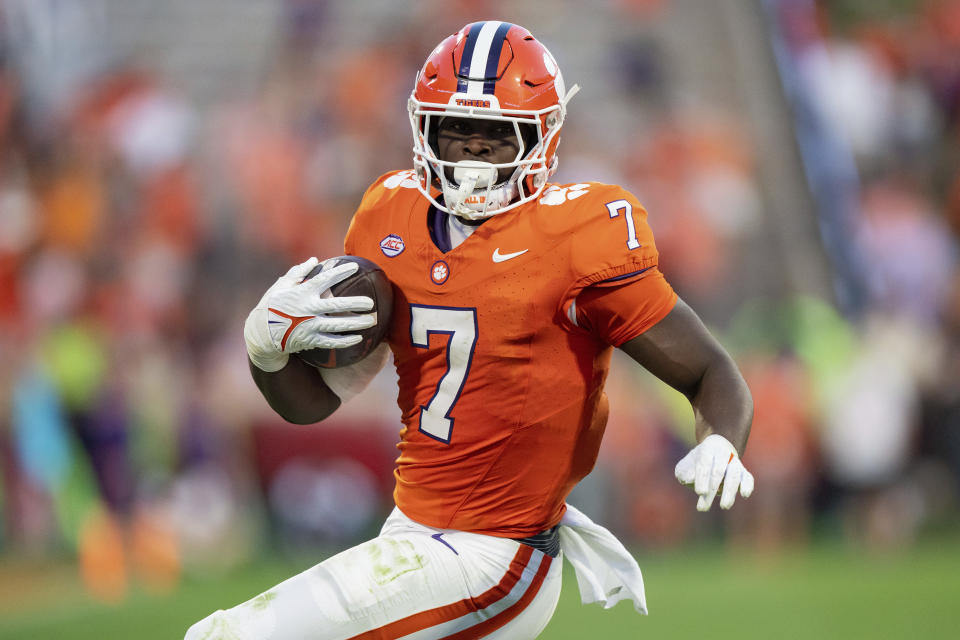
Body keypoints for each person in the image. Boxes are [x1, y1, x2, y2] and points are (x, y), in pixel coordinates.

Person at [186, 21, 754, 640]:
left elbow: (708, 370)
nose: (474, 149)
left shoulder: (578, 236)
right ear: (424, 128)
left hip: (496, 556)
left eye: (495, 133)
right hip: (412, 532)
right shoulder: (388, 215)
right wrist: (267, 351)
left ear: (542, 137)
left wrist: (721, 439)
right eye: (457, 129)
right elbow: (316, 402)